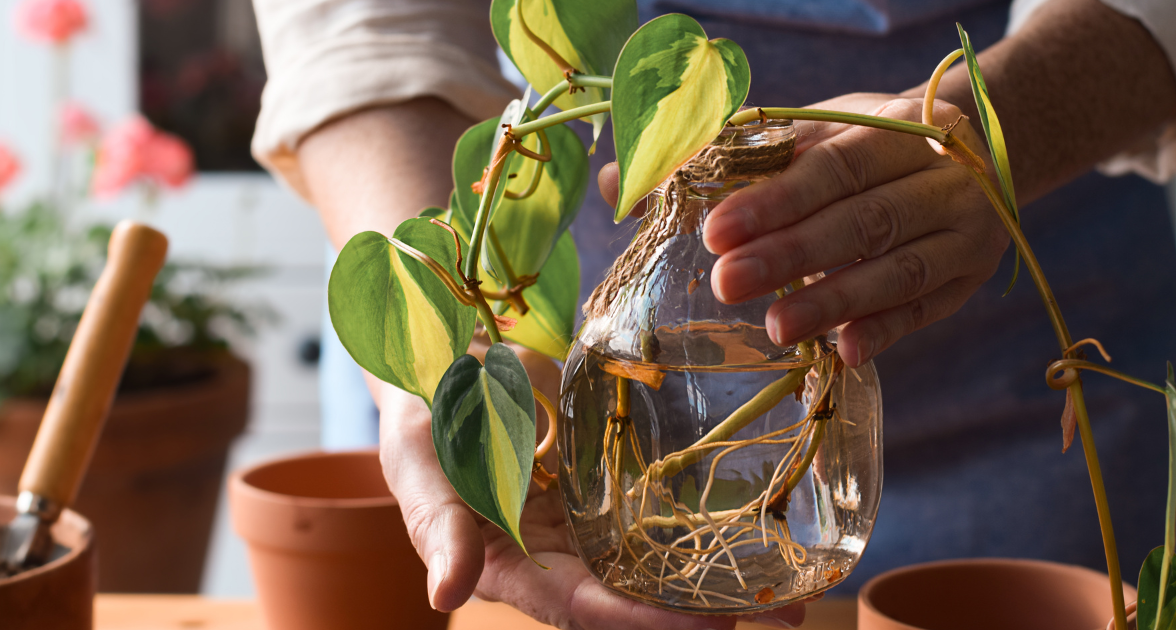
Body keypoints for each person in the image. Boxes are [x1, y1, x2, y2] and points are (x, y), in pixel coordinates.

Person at [249, 0, 1176, 627]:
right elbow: (355, 34)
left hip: (1025, 332)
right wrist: (444, 358)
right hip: (532, 324)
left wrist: (985, 131)